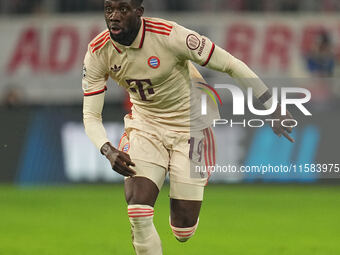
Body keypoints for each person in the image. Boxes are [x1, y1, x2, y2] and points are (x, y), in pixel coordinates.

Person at [82, 0, 294, 254]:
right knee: (138, 209)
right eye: (109, 10)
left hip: (192, 128)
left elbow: (230, 64)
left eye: (123, 10)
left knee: (183, 230)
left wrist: (268, 104)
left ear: (139, 13)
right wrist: (107, 149)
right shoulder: (98, 51)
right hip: (145, 125)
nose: (114, 16)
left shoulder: (171, 36)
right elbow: (91, 114)